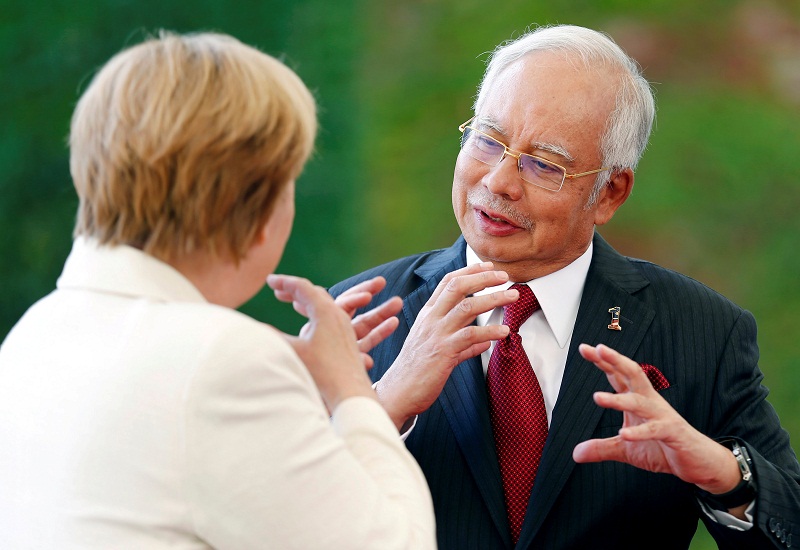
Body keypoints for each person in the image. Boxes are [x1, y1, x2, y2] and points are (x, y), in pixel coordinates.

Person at [330, 24, 800, 549]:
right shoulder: (357, 315)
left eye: (544, 164)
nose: (499, 181)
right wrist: (384, 407)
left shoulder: (701, 331)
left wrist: (723, 474)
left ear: (610, 192)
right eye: (488, 140)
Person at [0, 31, 435, 549]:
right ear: (252, 205)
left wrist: (300, 414)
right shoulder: (221, 359)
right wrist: (351, 393)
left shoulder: (35, 334)